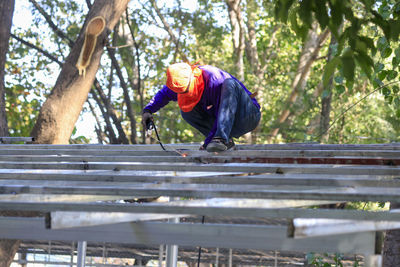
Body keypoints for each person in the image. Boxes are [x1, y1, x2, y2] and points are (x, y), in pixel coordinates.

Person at [142, 62, 261, 152]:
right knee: (187, 112)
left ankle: (220, 139)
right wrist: (148, 110)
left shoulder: (213, 79)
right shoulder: (178, 84)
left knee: (229, 84)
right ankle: (226, 141)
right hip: (225, 123)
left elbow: (223, 112)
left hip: (247, 115)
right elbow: (163, 95)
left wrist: (208, 143)